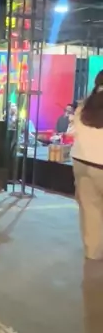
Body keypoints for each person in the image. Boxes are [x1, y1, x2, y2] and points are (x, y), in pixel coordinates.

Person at [71, 72, 103, 260]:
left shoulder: (83, 107)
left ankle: (93, 253)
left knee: (90, 210)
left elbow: (76, 131)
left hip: (81, 162)